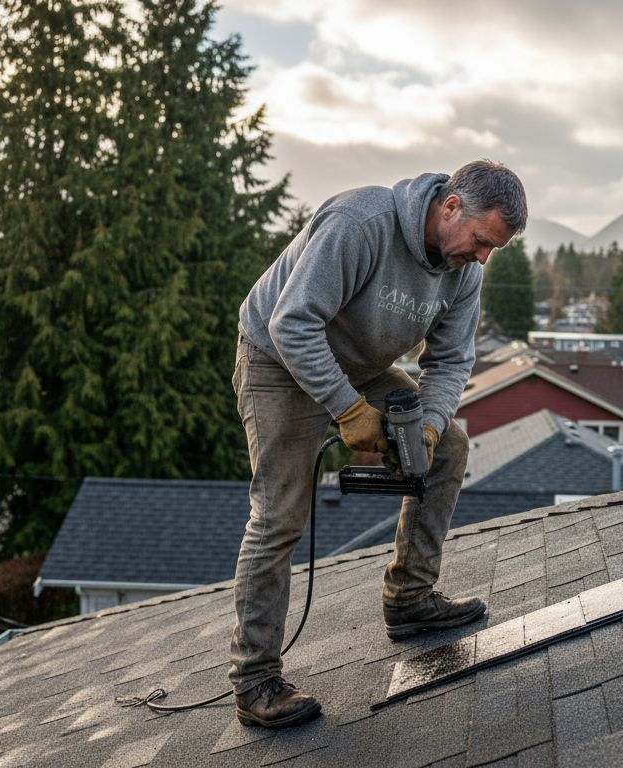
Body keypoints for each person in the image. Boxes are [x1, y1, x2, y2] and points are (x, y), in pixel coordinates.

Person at [229, 160, 527, 728]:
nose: (484, 257)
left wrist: (432, 424)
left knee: (449, 450)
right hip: (275, 359)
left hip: (360, 366)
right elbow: (292, 324)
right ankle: (255, 680)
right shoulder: (360, 222)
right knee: (279, 516)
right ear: (450, 207)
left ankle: (410, 599)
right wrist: (347, 410)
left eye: (496, 249)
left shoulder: (464, 272)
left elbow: (452, 361)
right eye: (482, 241)